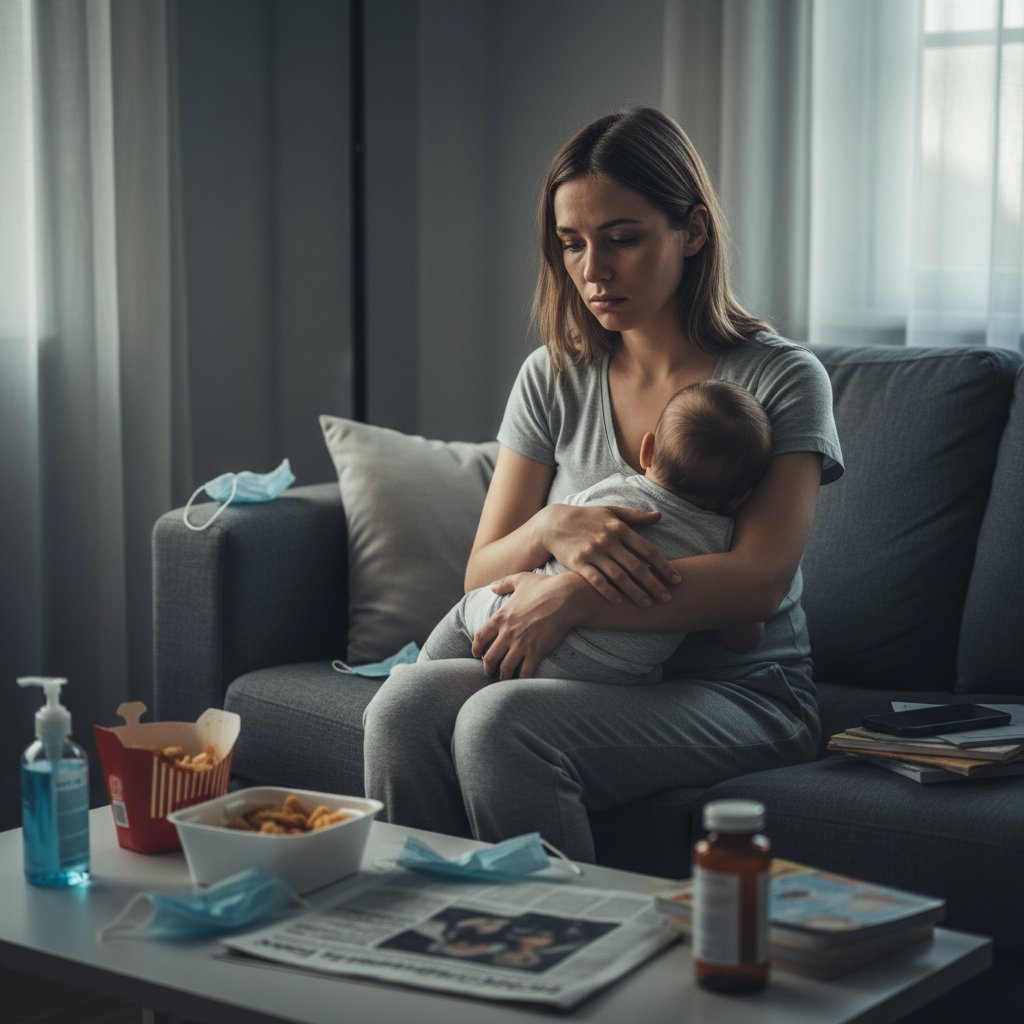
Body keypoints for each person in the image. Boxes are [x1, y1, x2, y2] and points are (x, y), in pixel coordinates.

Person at [363, 106, 844, 863]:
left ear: (691, 232)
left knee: (498, 726)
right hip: (591, 675)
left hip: (740, 693)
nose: (593, 270)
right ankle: (427, 943)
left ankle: (561, 951)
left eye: (622, 239)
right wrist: (552, 529)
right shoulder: (553, 375)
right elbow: (484, 570)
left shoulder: (781, 380)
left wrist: (576, 593)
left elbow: (756, 584)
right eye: (572, 244)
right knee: (404, 703)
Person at [420, 379, 773, 685]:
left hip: (517, 633)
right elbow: (741, 635)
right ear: (741, 497)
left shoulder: (609, 494)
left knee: (469, 609)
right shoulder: (725, 545)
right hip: (609, 676)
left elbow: (495, 576)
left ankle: (419, 667)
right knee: (647, 675)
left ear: (646, 450)